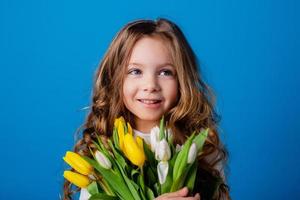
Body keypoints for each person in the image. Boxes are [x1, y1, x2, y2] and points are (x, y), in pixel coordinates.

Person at [63, 18, 230, 200]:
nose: (150, 85)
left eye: (165, 72)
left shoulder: (200, 145)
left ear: (183, 80)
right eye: (135, 71)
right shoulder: (103, 148)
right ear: (115, 78)